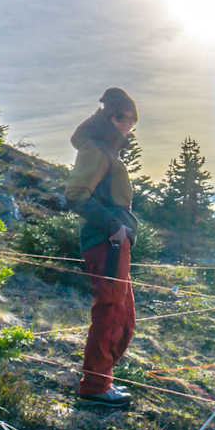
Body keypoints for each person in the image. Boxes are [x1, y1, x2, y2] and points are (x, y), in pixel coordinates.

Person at [65, 88, 139, 407]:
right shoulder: (95, 150)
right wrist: (115, 228)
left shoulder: (108, 151)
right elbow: (76, 195)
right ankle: (95, 385)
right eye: (126, 119)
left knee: (123, 314)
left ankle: (102, 378)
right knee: (110, 310)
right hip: (105, 242)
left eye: (134, 122)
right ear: (111, 117)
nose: (130, 126)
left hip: (113, 243)